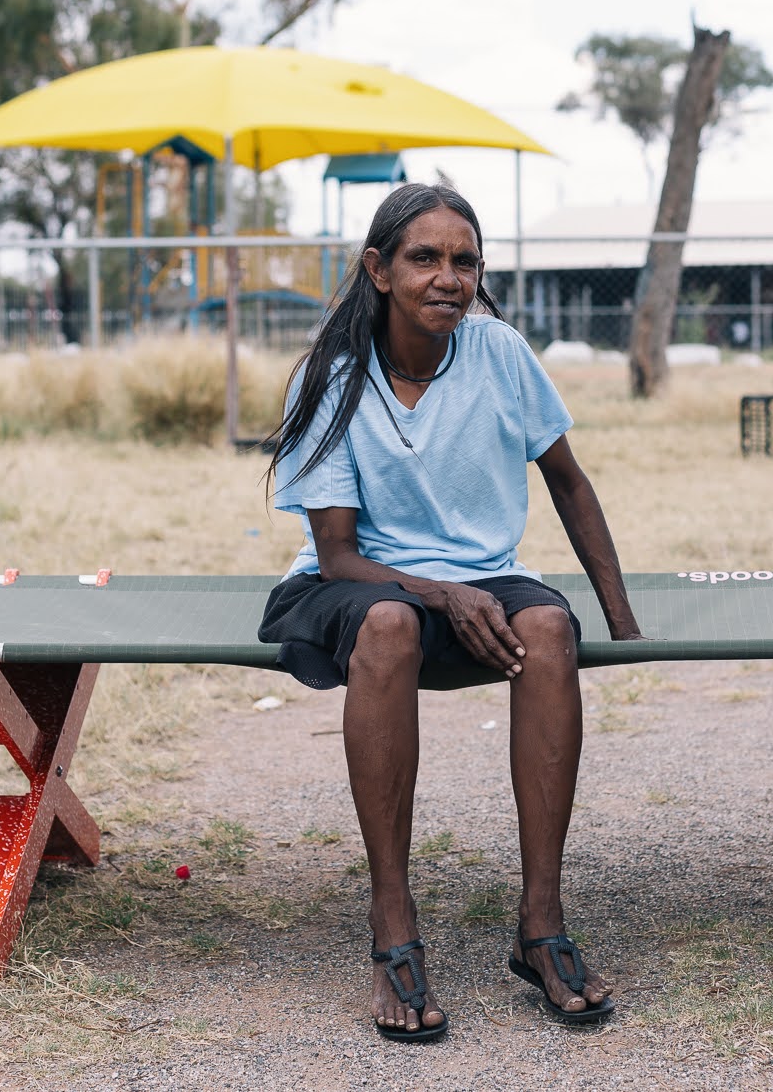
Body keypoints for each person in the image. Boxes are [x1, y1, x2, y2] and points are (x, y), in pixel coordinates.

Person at [259, 182, 644, 1042]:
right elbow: (338, 554)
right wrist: (439, 591)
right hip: (353, 584)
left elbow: (570, 481)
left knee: (547, 626)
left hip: (480, 578)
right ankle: (392, 926)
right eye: (424, 257)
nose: (447, 276)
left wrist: (619, 620)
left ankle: (539, 924)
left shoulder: (501, 354)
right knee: (391, 623)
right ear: (379, 269)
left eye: (463, 259)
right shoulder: (332, 373)